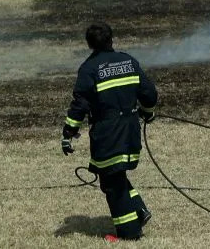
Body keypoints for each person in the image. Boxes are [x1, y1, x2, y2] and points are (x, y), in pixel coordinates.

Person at [61, 23, 158, 242]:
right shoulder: (128, 61)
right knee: (114, 175)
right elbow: (149, 93)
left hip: (108, 135)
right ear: (111, 39)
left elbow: (80, 105)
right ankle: (139, 210)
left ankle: (129, 233)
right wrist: (148, 112)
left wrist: (68, 133)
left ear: (89, 44)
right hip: (130, 132)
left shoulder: (89, 69)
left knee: (112, 183)